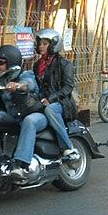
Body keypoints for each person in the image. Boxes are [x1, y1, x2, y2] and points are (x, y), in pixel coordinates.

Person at [0, 45, 47, 179]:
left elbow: (28, 85)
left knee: (29, 121)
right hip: (15, 119)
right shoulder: (1, 80)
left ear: (11, 63)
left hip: (36, 115)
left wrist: (18, 86)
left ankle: (20, 164)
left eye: (0, 63)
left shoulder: (25, 75)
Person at [32, 28, 77, 157]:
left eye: (45, 44)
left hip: (62, 103)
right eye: (40, 44)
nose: (41, 46)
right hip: (42, 101)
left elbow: (68, 87)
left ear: (53, 45)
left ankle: (67, 146)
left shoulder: (64, 64)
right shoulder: (37, 65)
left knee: (50, 110)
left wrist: (51, 99)